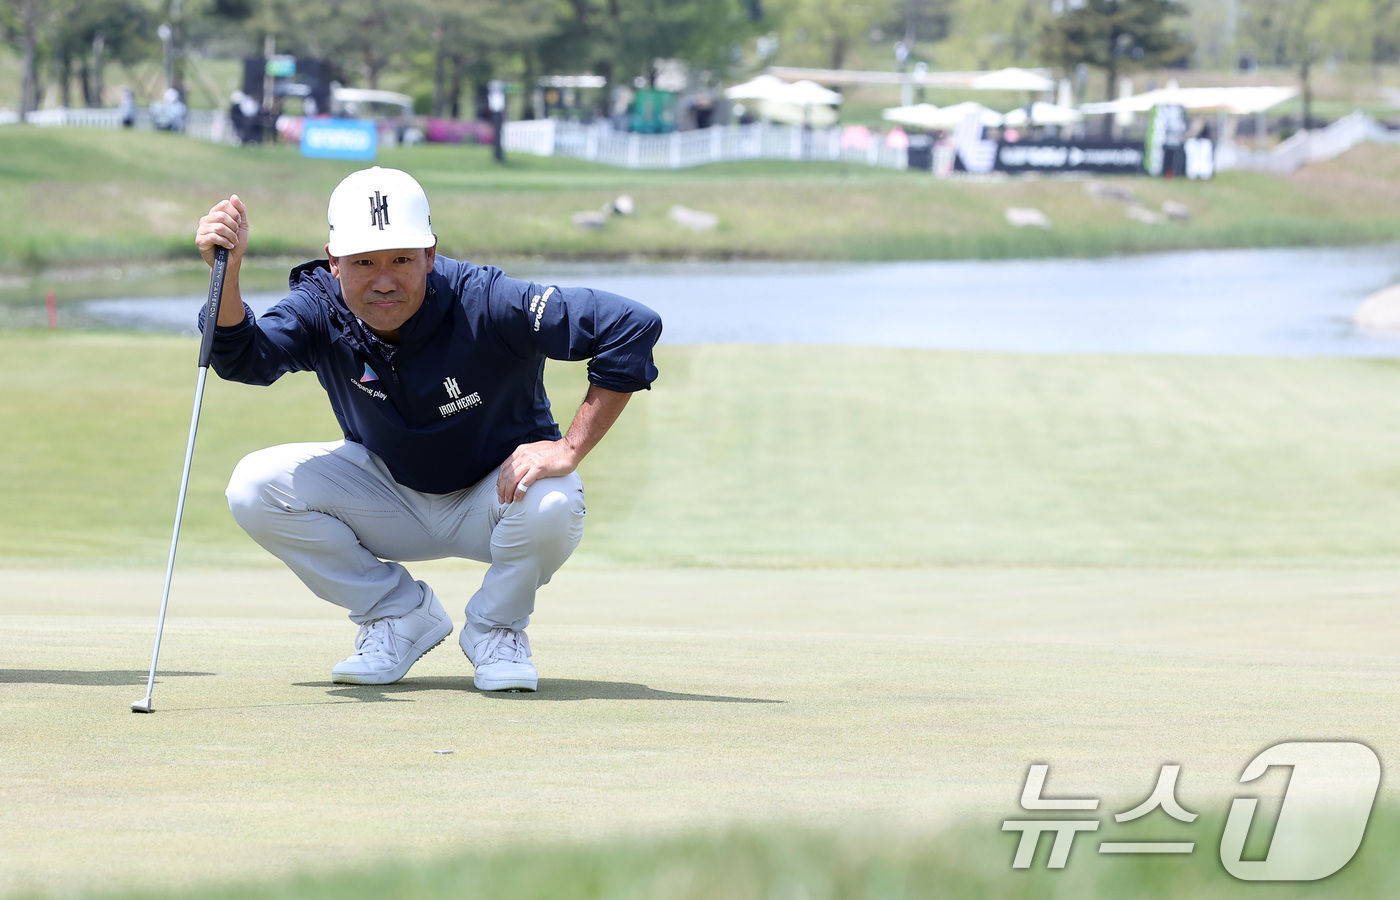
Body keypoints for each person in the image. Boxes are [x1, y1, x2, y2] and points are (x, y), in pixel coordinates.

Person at [193, 167, 662, 692]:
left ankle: (496, 629)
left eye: (401, 259)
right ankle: (398, 615)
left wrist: (569, 448)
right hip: (388, 495)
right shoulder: (320, 307)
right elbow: (244, 359)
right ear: (334, 262)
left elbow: (630, 325)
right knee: (255, 485)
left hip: (497, 500)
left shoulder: (487, 299)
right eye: (364, 262)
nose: (384, 279)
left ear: (430, 256)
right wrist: (226, 275)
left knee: (554, 498)